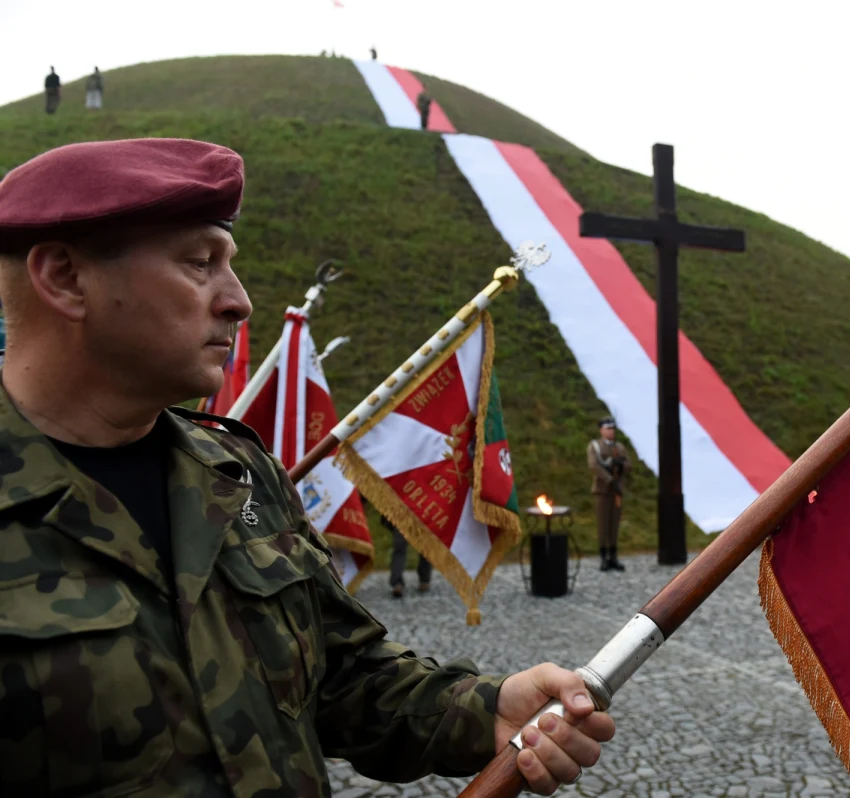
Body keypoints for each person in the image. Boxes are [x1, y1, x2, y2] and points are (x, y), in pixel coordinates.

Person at [0, 138, 613, 796]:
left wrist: (487, 710)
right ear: (65, 279)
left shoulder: (237, 470)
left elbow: (344, 674)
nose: (239, 301)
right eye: (199, 263)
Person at [587, 416, 628, 571]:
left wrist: (622, 465)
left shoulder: (620, 447)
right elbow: (594, 466)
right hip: (602, 490)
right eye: (608, 428)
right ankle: (604, 556)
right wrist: (610, 479)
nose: (611, 432)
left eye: (613, 429)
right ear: (601, 430)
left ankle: (613, 555)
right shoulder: (595, 446)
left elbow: (628, 464)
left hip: (616, 492)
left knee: (614, 524)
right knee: (603, 524)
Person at [382, 513, 433, 597]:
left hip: (401, 513)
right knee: (425, 548)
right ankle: (425, 580)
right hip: (421, 512)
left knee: (400, 550)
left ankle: (397, 583)